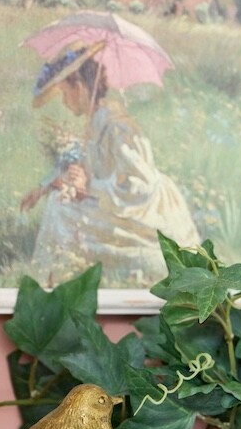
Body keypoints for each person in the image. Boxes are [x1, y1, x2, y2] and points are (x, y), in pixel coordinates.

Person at [21, 42, 199, 287]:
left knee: (60, 209)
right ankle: (52, 280)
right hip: (114, 202)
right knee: (59, 202)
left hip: (142, 212)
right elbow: (81, 166)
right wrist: (49, 185)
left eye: (65, 93)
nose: (63, 102)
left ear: (81, 88)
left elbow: (138, 187)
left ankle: (51, 282)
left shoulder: (117, 126)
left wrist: (89, 185)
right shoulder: (95, 122)